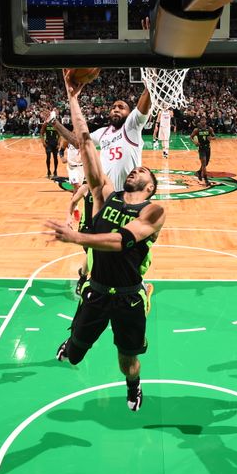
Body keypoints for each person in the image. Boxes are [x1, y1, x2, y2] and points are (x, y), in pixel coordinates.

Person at [45, 70, 166, 412]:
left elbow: (122, 240)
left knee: (128, 359)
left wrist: (76, 236)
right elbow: (83, 143)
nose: (134, 172)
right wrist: (72, 97)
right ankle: (73, 340)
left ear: (151, 186)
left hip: (128, 297)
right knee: (74, 356)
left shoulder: (153, 212)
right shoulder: (106, 195)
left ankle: (133, 386)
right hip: (97, 291)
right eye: (133, 171)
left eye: (141, 172)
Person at [190, 117, 215, 185]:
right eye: (202, 120)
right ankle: (206, 179)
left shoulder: (209, 128)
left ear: (206, 121)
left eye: (204, 120)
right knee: (204, 163)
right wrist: (195, 142)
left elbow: (214, 137)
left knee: (206, 164)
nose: (203, 121)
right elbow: (191, 137)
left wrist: (211, 138)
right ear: (200, 121)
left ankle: (199, 172)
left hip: (208, 148)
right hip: (201, 148)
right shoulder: (197, 130)